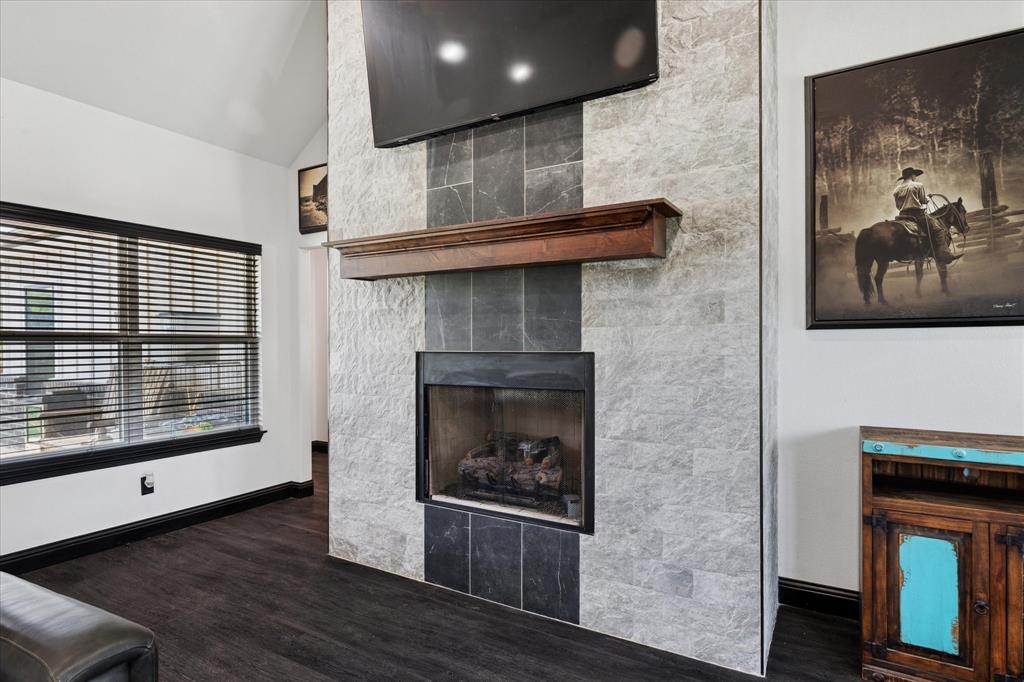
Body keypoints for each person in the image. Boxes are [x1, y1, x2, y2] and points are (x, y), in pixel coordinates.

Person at [893, 166, 955, 264]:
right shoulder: (917, 185)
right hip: (917, 214)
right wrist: (928, 198)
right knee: (938, 230)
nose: (915, 177)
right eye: (915, 175)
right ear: (912, 175)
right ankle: (944, 253)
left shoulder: (896, 189)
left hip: (902, 216)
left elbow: (897, 206)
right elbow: (923, 200)